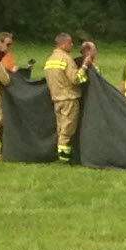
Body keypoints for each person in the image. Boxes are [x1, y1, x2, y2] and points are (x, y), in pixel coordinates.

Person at [44, 32, 93, 162]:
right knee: (67, 129)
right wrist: (84, 66)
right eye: (70, 43)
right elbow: (75, 79)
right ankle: (64, 158)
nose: (72, 45)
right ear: (64, 43)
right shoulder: (66, 59)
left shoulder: (50, 60)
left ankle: (60, 154)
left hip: (56, 98)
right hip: (69, 98)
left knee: (61, 127)